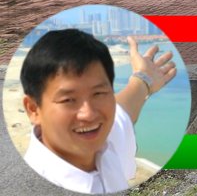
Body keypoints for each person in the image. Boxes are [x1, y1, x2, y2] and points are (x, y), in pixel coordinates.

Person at [20, 30, 178, 194]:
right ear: (33, 109)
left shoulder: (102, 142)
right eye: (68, 100)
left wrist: (144, 78)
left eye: (98, 93)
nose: (88, 114)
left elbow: (122, 113)